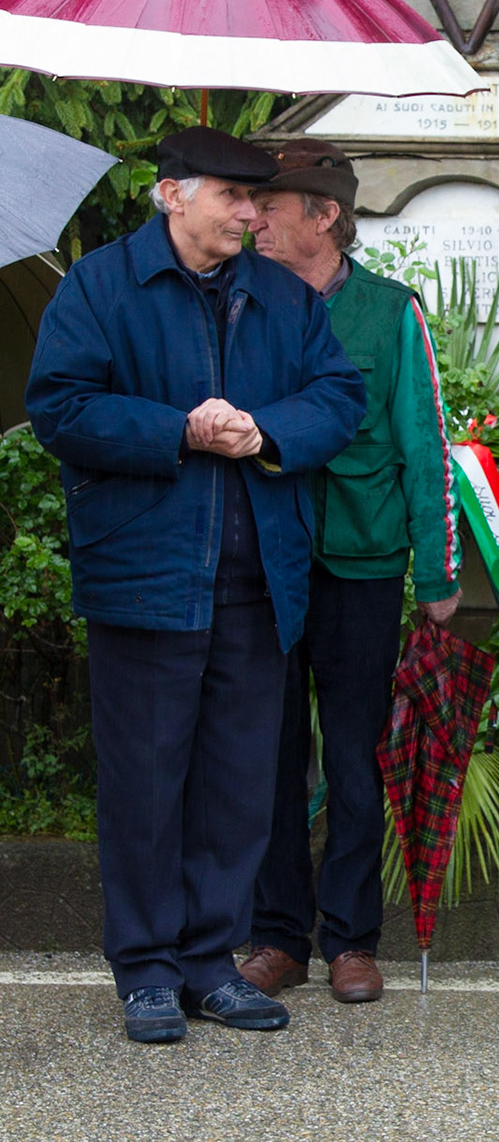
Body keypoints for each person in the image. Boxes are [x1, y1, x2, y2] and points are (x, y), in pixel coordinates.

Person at [25, 127, 364, 1043]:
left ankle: (212, 964)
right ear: (171, 193)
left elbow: (340, 397)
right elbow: (59, 406)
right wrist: (180, 430)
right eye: (232, 196)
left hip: (259, 580)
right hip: (144, 575)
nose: (252, 214)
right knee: (145, 783)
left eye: (258, 199)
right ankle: (144, 967)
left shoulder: (285, 298)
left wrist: (264, 430)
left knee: (240, 783)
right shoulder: (100, 287)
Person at [239, 139, 463, 1006]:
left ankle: (353, 941)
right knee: (270, 753)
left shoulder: (387, 311)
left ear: (324, 215)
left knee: (360, 758)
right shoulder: (242, 302)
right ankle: (277, 937)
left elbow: (424, 445)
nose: (255, 218)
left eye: (274, 204)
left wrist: (437, 572)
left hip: (364, 565)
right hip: (268, 558)